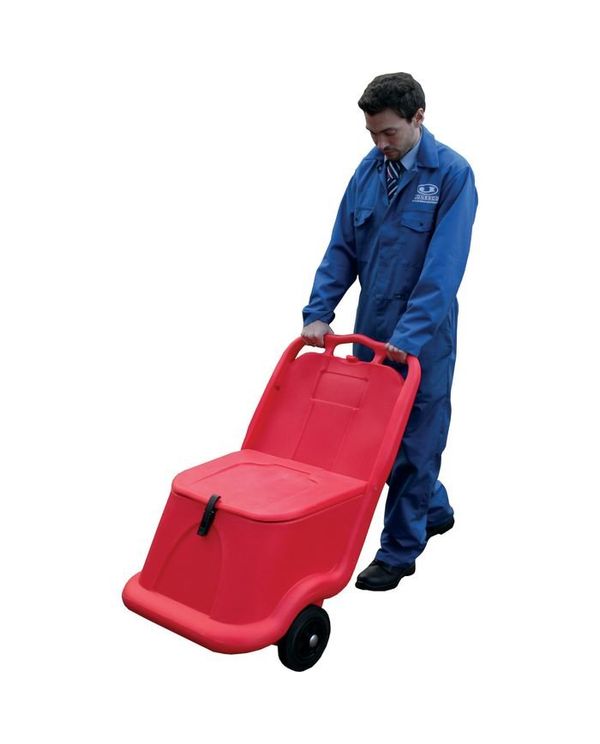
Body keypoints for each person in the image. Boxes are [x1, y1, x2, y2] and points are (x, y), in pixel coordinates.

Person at [301, 72, 478, 591]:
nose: (380, 143)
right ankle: (433, 508)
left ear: (418, 117)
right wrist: (319, 311)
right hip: (372, 330)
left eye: (389, 133)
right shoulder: (369, 171)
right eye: (372, 133)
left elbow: (444, 267)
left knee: (417, 441)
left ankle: (399, 551)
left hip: (424, 337)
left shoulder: (451, 175)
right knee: (374, 439)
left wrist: (412, 333)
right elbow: (342, 247)